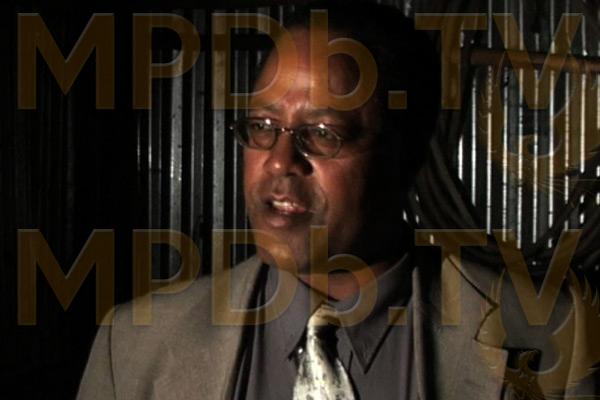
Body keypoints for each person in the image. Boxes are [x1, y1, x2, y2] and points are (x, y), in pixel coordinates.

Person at [77, 1, 598, 399]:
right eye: (262, 126)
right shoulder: (134, 348)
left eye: (324, 133)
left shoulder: (548, 336)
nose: (279, 161)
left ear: (406, 154)